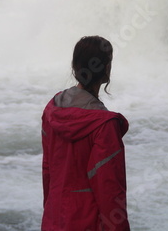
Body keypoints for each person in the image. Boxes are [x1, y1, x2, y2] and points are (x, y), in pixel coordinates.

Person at [41, 36, 130, 231]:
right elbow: (110, 192)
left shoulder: (52, 110)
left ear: (74, 66)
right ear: (107, 69)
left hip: (54, 219)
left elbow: (48, 172)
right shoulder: (104, 125)